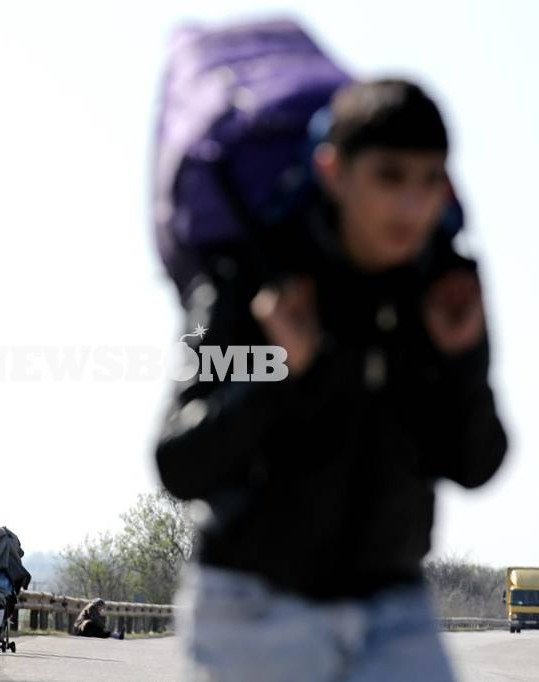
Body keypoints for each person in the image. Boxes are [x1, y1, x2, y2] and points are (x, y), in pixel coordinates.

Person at [155, 79, 508, 680]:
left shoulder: (440, 288)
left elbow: (475, 464)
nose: (412, 205)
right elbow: (180, 462)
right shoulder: (252, 283)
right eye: (389, 177)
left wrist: (461, 361)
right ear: (333, 172)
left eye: (429, 180)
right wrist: (277, 369)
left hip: (395, 607)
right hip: (256, 609)